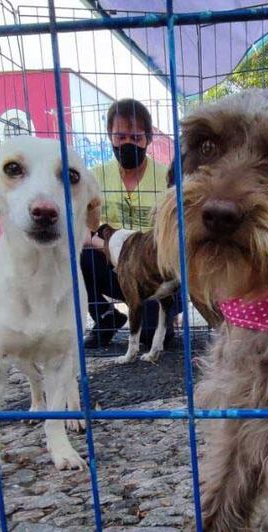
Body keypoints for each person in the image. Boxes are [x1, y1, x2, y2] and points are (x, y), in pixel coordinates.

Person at [81, 98, 179, 349]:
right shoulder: (96, 176)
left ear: (148, 139)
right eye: (120, 136)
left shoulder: (167, 178)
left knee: (150, 338)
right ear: (110, 136)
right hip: (113, 266)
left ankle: (169, 310)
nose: (127, 143)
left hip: (154, 271)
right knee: (79, 255)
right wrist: (107, 245)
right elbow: (81, 228)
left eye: (135, 138)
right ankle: (104, 316)